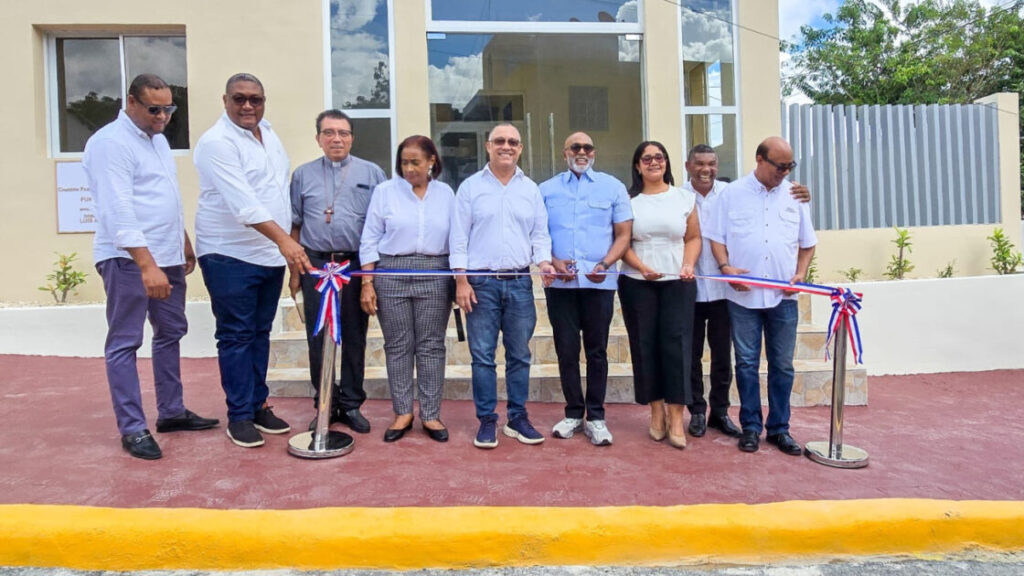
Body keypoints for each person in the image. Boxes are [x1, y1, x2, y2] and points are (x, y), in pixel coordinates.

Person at [83, 73, 219, 460]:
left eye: (168, 109)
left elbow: (164, 196)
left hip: (167, 255)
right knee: (125, 341)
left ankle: (172, 412)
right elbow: (118, 209)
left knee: (171, 331)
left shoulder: (156, 140)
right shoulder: (111, 143)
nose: (162, 117)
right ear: (131, 102)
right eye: (154, 109)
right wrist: (146, 265)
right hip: (129, 259)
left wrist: (182, 241)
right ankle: (133, 427)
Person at [194, 73, 311, 449]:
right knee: (236, 335)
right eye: (240, 98)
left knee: (260, 333)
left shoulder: (269, 134)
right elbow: (245, 205)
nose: (248, 106)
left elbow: (275, 192)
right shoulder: (217, 142)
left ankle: (258, 405)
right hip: (229, 255)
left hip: (267, 255)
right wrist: (287, 244)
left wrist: (284, 248)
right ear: (225, 100)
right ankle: (240, 415)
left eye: (255, 99)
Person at [684, 144, 812, 439]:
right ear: (688, 166)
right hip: (700, 289)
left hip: (739, 293)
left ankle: (729, 415)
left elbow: (807, 241)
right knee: (701, 357)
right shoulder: (686, 196)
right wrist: (725, 266)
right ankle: (705, 414)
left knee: (737, 360)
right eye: (700, 163)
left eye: (712, 163)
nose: (706, 169)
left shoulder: (787, 194)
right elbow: (714, 239)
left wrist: (800, 273)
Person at [450, 123, 556, 449]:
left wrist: (545, 262)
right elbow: (458, 237)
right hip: (480, 283)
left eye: (512, 142)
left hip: (520, 283)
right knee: (482, 356)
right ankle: (487, 420)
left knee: (519, 355)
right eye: (499, 141)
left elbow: (540, 234)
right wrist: (461, 280)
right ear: (488, 146)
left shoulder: (530, 189)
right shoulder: (470, 188)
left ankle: (517, 418)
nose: (506, 146)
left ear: (520, 148)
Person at [288, 110, 386, 435]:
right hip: (315, 265)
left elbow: (380, 225)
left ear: (352, 138)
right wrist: (294, 269)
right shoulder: (302, 175)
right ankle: (325, 404)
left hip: (355, 266)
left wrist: (373, 276)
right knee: (318, 336)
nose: (336, 139)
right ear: (318, 138)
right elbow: (295, 224)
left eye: (343, 133)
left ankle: (352, 403)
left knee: (355, 336)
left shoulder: (372, 173)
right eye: (328, 132)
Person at [539, 132, 632, 446]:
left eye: (587, 147)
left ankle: (596, 416)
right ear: (564, 152)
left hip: (598, 283)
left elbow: (623, 234)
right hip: (560, 284)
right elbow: (537, 233)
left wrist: (605, 264)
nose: (582, 152)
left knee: (597, 351)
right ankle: (573, 413)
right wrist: (553, 261)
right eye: (575, 147)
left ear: (594, 152)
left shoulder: (612, 187)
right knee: (566, 350)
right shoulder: (546, 190)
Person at [359, 136, 454, 443]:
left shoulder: (446, 194)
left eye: (416, 162)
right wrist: (367, 282)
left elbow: (457, 238)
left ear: (432, 162)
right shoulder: (385, 192)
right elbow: (369, 238)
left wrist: (459, 277)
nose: (409, 168)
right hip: (392, 272)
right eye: (404, 162)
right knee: (398, 345)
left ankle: (430, 414)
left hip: (435, 271)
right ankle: (402, 412)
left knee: (431, 345)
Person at [618, 141, 701, 450]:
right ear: (637, 166)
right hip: (637, 282)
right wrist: (641, 267)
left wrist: (688, 264)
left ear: (666, 162)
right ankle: (656, 412)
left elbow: (693, 237)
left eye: (659, 157)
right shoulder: (628, 201)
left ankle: (676, 416)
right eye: (647, 158)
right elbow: (621, 242)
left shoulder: (684, 198)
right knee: (644, 345)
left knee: (677, 347)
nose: (654, 162)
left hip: (678, 282)